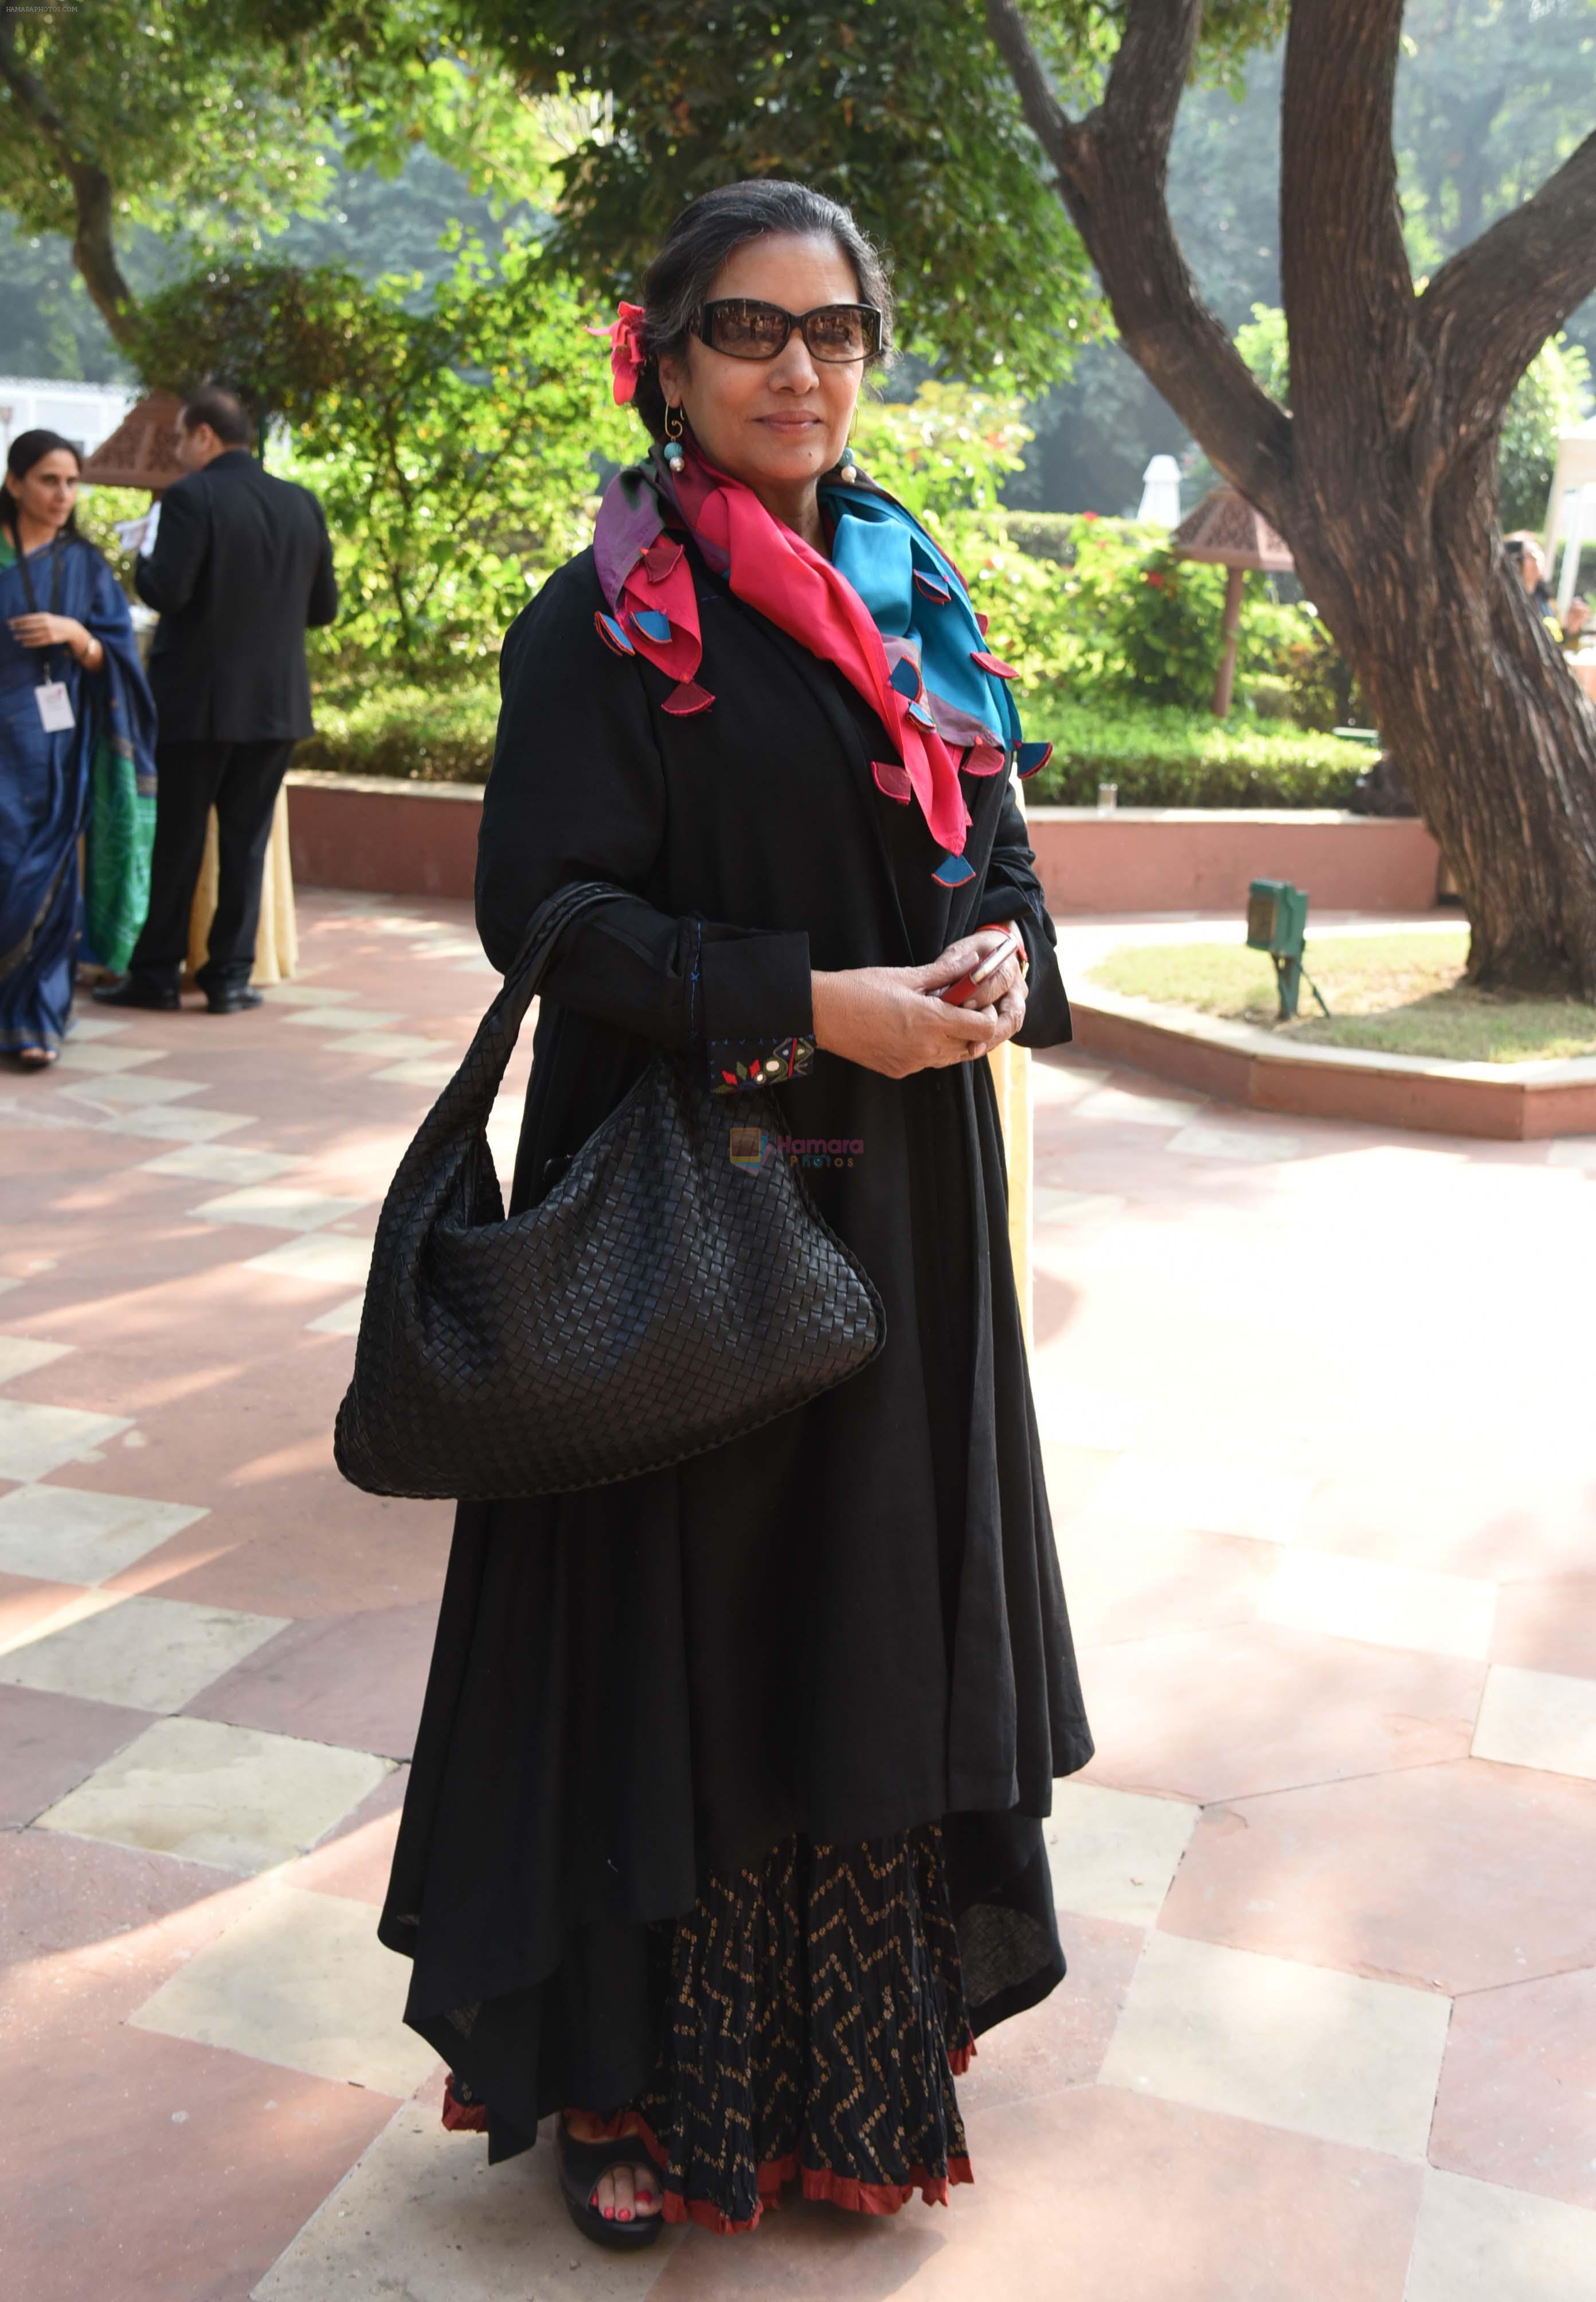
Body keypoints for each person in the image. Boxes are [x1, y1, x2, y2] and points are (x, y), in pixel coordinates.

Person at [378, 180, 1093, 2252]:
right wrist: (806, 1007)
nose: (804, 371)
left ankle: (842, 2079)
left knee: (860, 1612)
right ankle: (626, 2081)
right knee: (675, 1623)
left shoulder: (914, 589)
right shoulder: (607, 619)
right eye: (755, 332)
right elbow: (552, 915)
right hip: (697, 1194)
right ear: (666, 361)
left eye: (838, 332)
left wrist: (1000, 972)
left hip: (903, 1207)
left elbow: (1009, 870)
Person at [95, 387, 337, 1016]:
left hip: (197, 701)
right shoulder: (301, 503)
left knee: (177, 841)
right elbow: (324, 611)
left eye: (181, 439)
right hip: (276, 705)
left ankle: (154, 974)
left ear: (205, 435)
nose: (178, 452)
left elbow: (165, 591)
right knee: (245, 843)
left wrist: (141, 554)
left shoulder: (189, 497)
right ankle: (229, 978)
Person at [0, 430, 157, 1067]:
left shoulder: (84, 565)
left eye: (71, 481)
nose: (63, 494)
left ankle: (37, 1018)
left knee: (49, 878)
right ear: (15, 484)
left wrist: (79, 636)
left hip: (53, 751)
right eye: (48, 480)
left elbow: (116, 655)